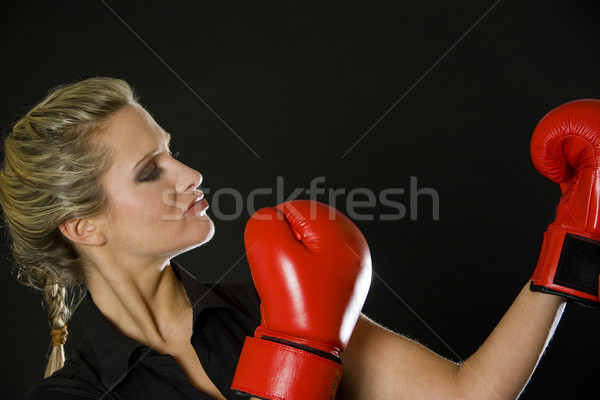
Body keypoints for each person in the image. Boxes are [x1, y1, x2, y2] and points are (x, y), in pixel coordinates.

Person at [0, 77, 594, 400]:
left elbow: (469, 398)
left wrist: (577, 241)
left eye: (171, 152)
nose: (190, 174)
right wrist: (298, 366)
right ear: (84, 226)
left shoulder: (265, 309)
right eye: (150, 170)